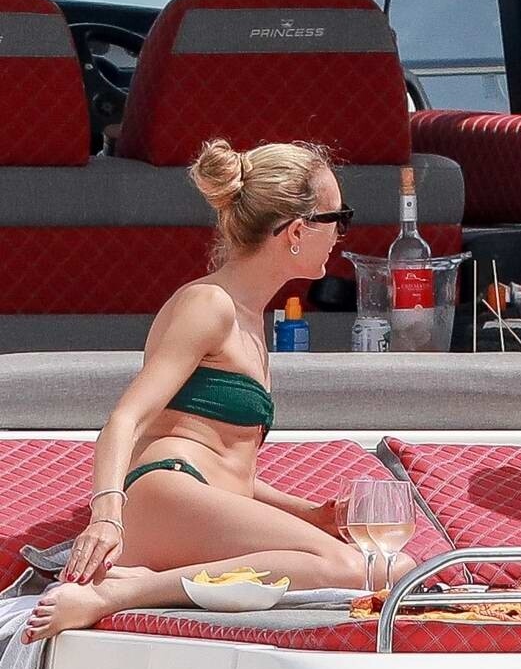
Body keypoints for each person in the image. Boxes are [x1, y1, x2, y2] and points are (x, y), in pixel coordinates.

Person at [26, 140, 400, 642]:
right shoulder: (209, 304)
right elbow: (126, 419)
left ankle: (141, 583)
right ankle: (116, 594)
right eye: (339, 218)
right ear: (296, 231)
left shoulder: (251, 318)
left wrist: (309, 514)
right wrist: (106, 516)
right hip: (167, 490)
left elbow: (229, 462)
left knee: (394, 567)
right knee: (349, 567)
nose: (341, 234)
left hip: (201, 500)